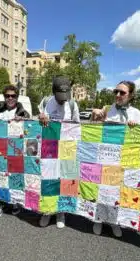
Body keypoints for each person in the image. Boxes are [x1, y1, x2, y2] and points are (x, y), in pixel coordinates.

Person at [91, 80, 140, 238]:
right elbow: (94, 131)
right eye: (116, 92)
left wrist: (136, 128)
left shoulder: (136, 113)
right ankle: (98, 220)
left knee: (117, 193)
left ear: (131, 95)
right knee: (102, 190)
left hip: (124, 161)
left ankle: (114, 222)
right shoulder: (107, 110)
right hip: (106, 158)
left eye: (122, 92)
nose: (118, 95)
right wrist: (95, 117)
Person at [38, 76, 80, 228]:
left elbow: (78, 126)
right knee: (48, 178)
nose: (63, 100)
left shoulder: (73, 104)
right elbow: (37, 125)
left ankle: (61, 212)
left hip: (67, 148)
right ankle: (47, 211)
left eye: (65, 96)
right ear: (53, 92)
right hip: (49, 148)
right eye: (60, 97)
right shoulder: (45, 102)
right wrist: (40, 117)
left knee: (64, 179)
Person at [0, 85, 30, 219]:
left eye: (13, 96)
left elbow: (29, 130)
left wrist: (24, 120)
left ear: (17, 97)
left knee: (15, 178)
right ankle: (0, 204)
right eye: (7, 96)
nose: (10, 98)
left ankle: (15, 202)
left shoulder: (23, 112)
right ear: (4, 97)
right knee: (0, 177)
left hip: (16, 151)